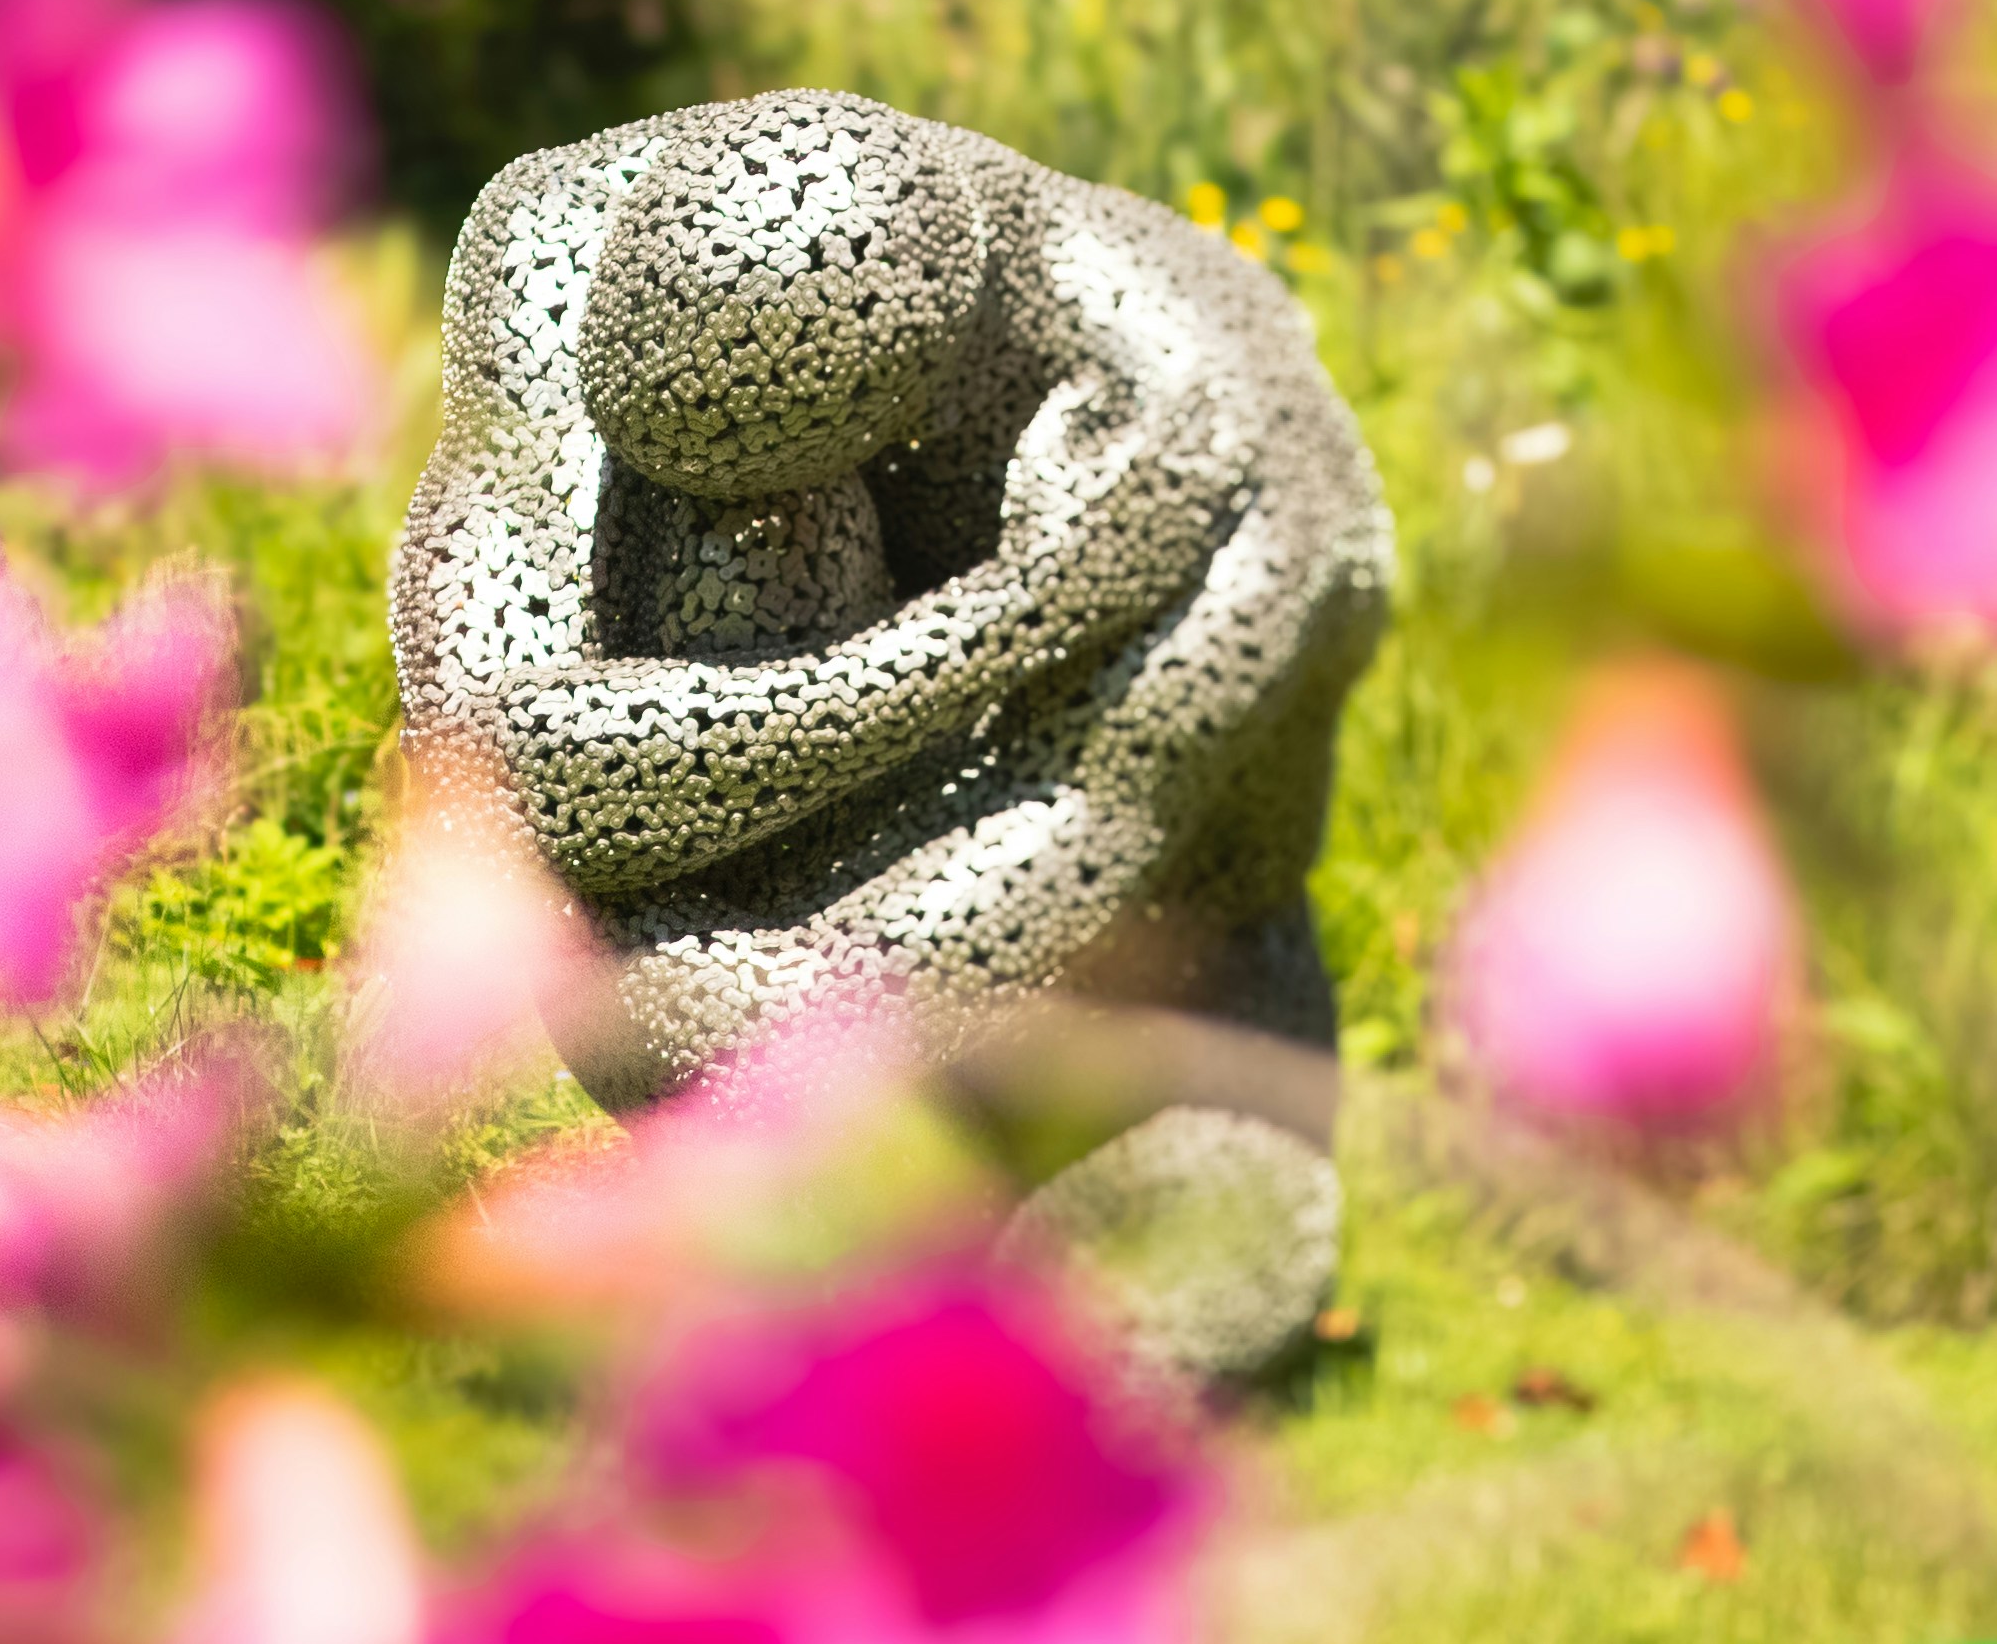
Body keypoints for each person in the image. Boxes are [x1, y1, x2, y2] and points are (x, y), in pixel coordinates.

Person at [390, 88, 1391, 1375]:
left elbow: (961, 936)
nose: (739, 529)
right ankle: (776, 1267)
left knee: (1132, 1327)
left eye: (763, 481)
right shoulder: (555, 240)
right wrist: (1013, 617)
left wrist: (683, 942)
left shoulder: (1221, 454)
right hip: (820, 884)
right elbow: (494, 780)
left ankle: (840, 1284)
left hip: (1150, 1000)